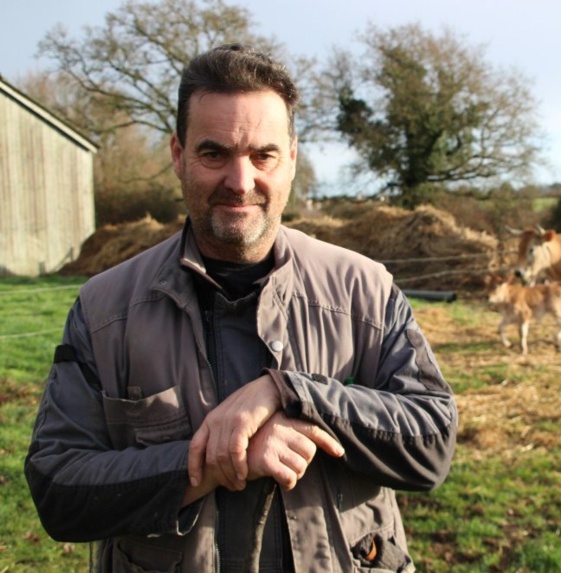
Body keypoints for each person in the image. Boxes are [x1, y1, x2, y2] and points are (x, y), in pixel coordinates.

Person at [24, 43, 457, 573]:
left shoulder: (363, 289)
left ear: (292, 158)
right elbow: (57, 488)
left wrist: (292, 392)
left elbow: (432, 441)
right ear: (179, 155)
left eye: (262, 156)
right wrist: (213, 463)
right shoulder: (105, 309)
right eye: (214, 154)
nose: (240, 181)